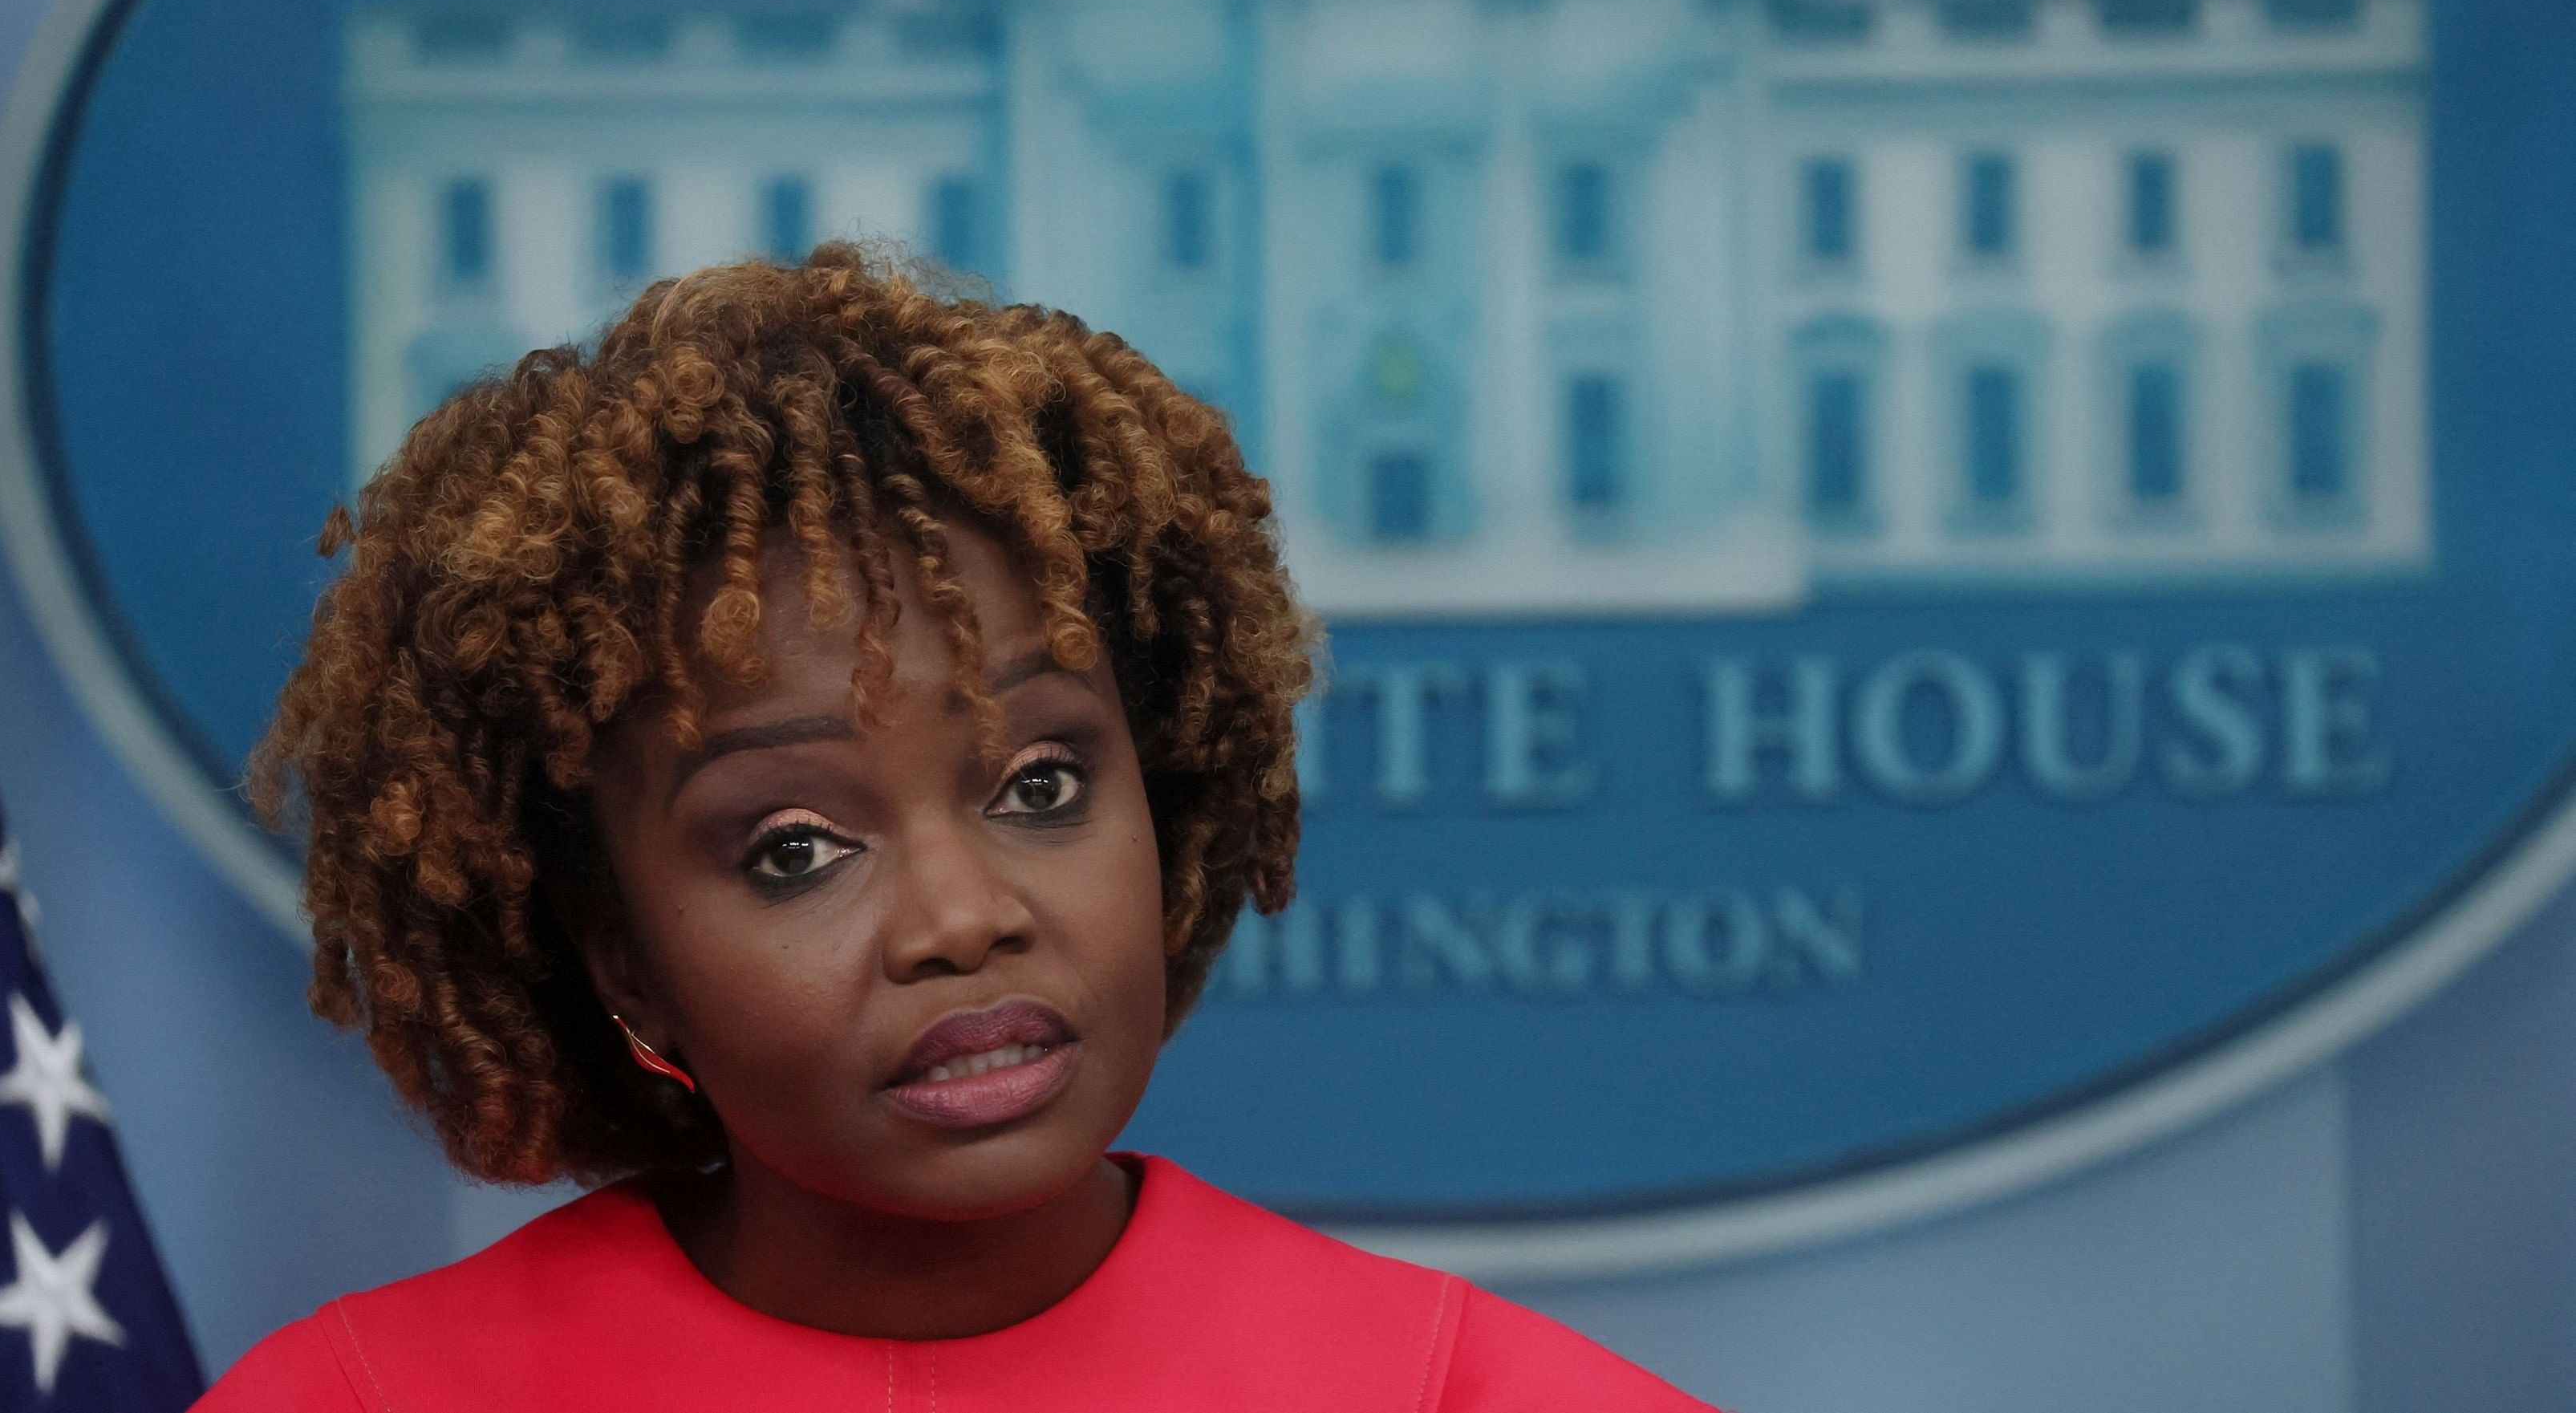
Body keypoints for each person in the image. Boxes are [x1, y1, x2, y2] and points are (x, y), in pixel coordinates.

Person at [198, 246, 1714, 1410]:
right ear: (625, 961)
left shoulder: (1458, 1394)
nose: (961, 914)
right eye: (792, 845)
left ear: (1165, 796)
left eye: (1040, 784)